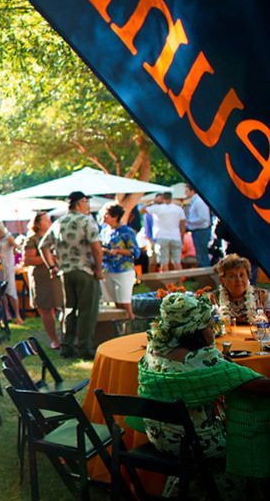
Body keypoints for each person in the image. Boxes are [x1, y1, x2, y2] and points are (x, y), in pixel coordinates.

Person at [138, 293, 270, 495]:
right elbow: (259, 386)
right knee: (255, 431)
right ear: (195, 332)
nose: (213, 331)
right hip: (197, 444)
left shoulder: (152, 352)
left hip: (159, 438)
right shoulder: (201, 360)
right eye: (210, 326)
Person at [40, 191, 103, 360]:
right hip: (85, 270)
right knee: (87, 310)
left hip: (66, 272)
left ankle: (67, 346)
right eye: (86, 202)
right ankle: (84, 347)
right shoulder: (86, 220)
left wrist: (52, 266)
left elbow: (43, 246)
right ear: (80, 203)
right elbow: (96, 248)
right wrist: (99, 269)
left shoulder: (59, 222)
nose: (88, 206)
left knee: (69, 309)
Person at [24, 212, 63, 349]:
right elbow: (27, 260)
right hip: (42, 278)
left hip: (57, 276)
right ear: (38, 223)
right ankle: (54, 339)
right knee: (46, 308)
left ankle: (64, 335)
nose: (49, 222)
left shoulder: (55, 236)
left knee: (62, 306)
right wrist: (48, 257)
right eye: (46, 220)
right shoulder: (32, 239)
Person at [99, 203, 139, 321]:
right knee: (115, 302)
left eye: (106, 214)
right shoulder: (104, 231)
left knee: (125, 301)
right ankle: (122, 325)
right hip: (107, 269)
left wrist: (118, 252)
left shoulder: (126, 231)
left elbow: (135, 252)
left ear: (115, 216)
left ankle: (132, 323)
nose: (104, 217)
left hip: (123, 270)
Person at [210, 254, 268, 325]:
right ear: (222, 280)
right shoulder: (213, 299)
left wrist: (264, 320)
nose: (238, 280)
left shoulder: (262, 296)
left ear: (248, 277)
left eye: (241, 275)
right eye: (232, 276)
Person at [141, 191, 187, 272]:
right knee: (177, 262)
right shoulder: (178, 208)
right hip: (175, 236)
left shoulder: (158, 208)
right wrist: (182, 237)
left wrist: (153, 202)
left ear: (162, 198)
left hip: (161, 237)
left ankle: (167, 283)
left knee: (164, 262)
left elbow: (142, 210)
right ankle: (180, 282)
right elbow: (183, 224)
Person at [0, 221, 22, 324]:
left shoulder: (8, 237)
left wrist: (18, 253)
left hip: (7, 267)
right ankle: (6, 314)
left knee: (11, 290)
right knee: (1, 292)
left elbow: (17, 247)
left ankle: (17, 315)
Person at [184, 183, 213, 267]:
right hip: (198, 230)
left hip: (201, 231)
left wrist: (189, 222)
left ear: (192, 191)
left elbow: (204, 218)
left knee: (202, 255)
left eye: (186, 191)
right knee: (200, 255)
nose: (185, 193)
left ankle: (206, 275)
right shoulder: (195, 201)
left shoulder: (199, 201)